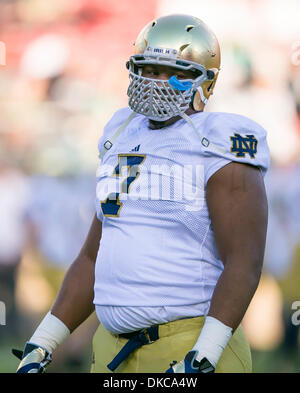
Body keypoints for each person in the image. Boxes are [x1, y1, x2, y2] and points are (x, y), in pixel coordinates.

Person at [14, 14, 269, 373]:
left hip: (189, 342)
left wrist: (204, 354)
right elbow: (93, 256)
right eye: (148, 69)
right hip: (112, 348)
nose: (155, 82)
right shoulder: (121, 132)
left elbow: (245, 261)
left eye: (171, 73)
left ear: (205, 81)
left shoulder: (219, 141)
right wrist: (43, 341)